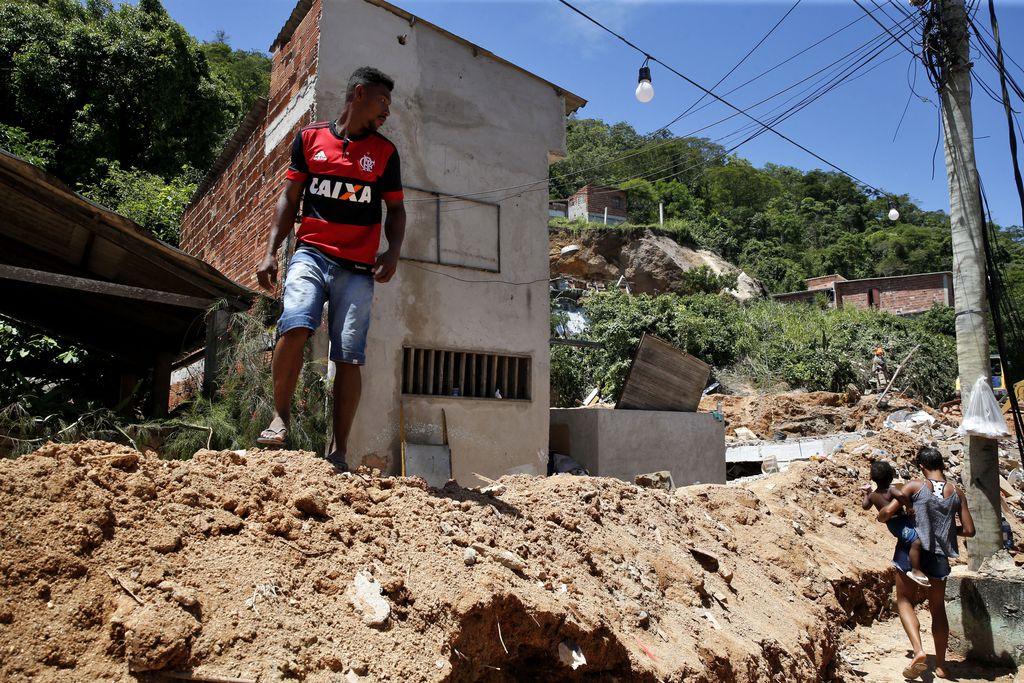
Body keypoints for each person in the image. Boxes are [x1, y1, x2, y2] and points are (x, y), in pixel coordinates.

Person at [255, 66, 406, 471]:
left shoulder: (385, 154)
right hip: (311, 253)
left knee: (349, 354)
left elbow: (396, 209)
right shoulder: (309, 140)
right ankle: (279, 418)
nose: (386, 111)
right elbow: (289, 199)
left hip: (357, 268)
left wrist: (392, 252)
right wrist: (270, 251)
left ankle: (339, 451)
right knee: (296, 324)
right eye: (382, 101)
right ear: (359, 94)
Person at [877, 446, 975, 680]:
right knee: (937, 608)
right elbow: (970, 531)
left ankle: (919, 651)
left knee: (903, 599)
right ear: (942, 464)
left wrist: (884, 513)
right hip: (940, 556)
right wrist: (948, 532)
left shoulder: (914, 487)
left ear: (921, 466)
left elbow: (886, 514)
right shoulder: (957, 492)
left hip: (910, 552)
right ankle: (941, 665)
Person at [861, 460, 930, 587]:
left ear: (872, 478)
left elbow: (865, 506)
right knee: (916, 541)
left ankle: (907, 562)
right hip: (899, 521)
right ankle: (915, 570)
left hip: (892, 524)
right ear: (891, 477)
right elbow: (902, 495)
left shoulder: (872, 495)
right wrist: (909, 507)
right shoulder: (891, 490)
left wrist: (866, 493)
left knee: (907, 540)